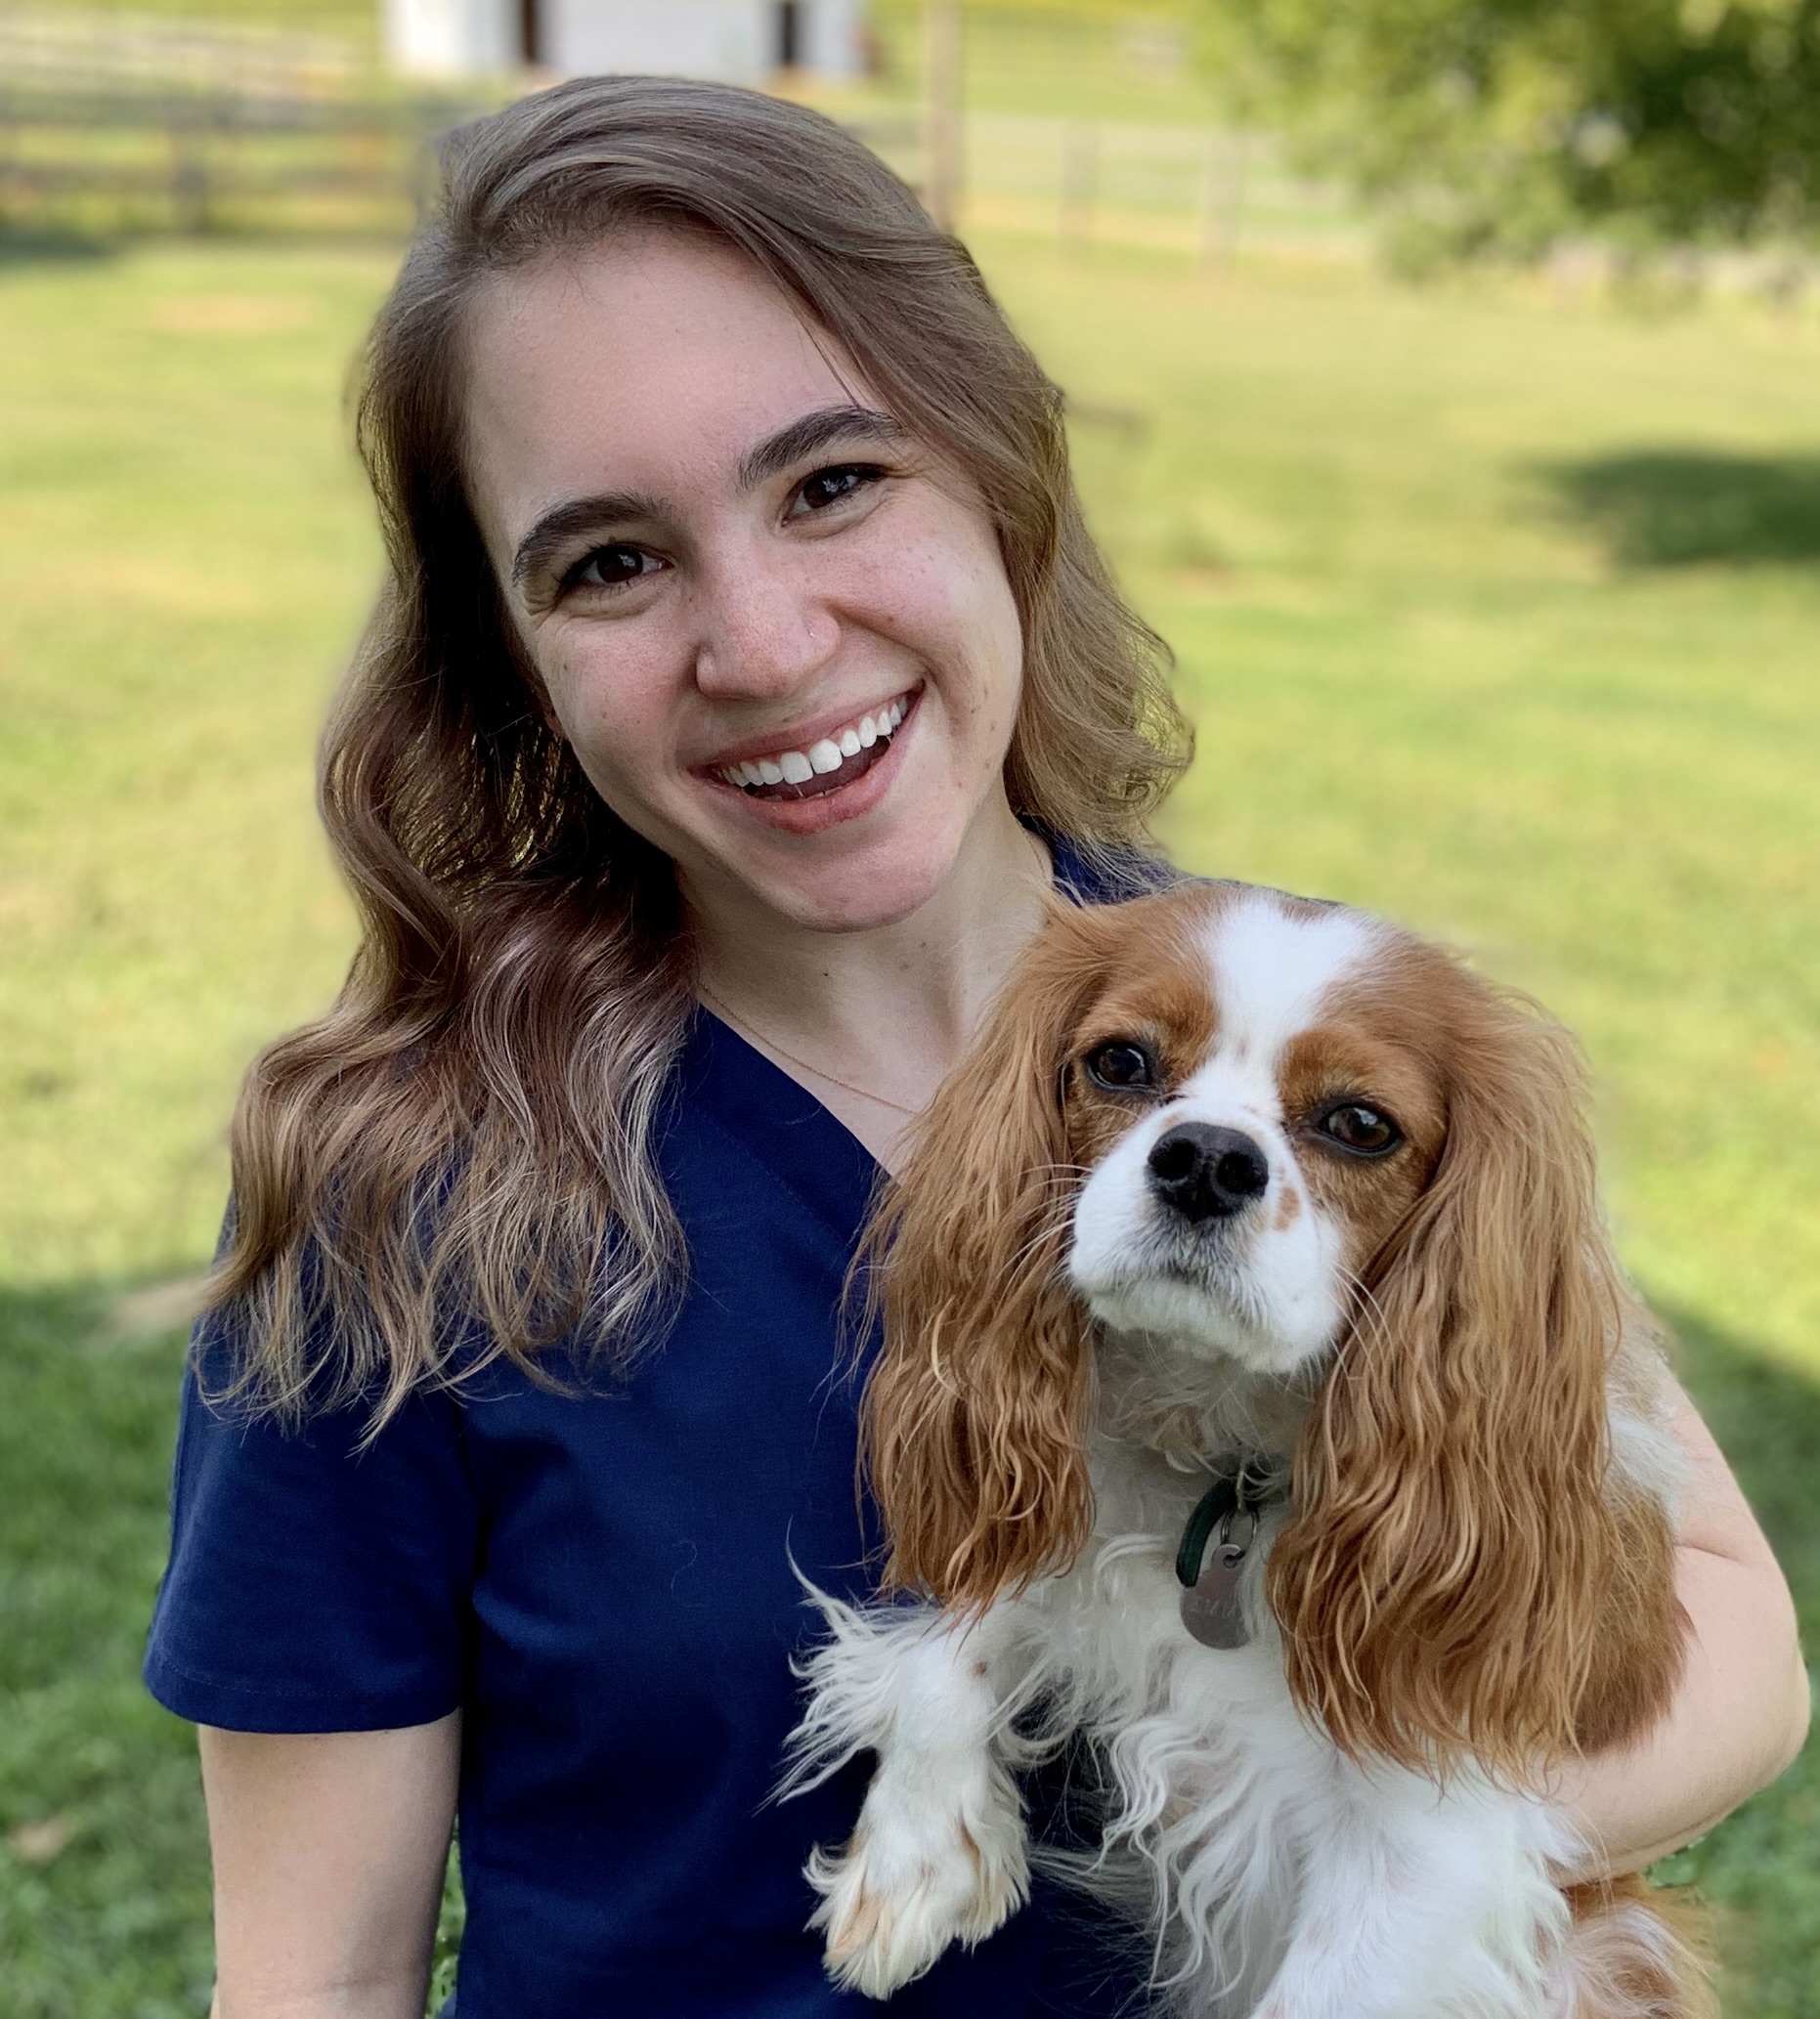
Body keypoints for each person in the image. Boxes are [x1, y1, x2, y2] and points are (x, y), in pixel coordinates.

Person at [143, 76, 1807, 2019]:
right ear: (504, 651)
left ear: (1003, 476)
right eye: (609, 560)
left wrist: (1382, 1851)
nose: (761, 643)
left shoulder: (1323, 1033)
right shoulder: (393, 1208)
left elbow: (1741, 1633)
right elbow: (311, 1983)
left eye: (833, 481)